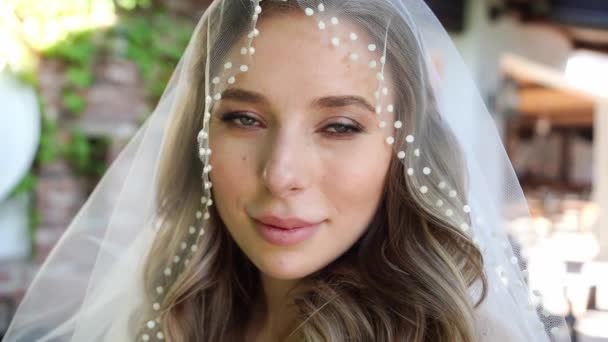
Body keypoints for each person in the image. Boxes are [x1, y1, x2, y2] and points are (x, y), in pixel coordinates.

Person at [4, 0, 571, 341]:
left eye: (340, 126)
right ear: (201, 135)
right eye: (245, 118)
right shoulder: (170, 318)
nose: (279, 174)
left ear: (403, 152)